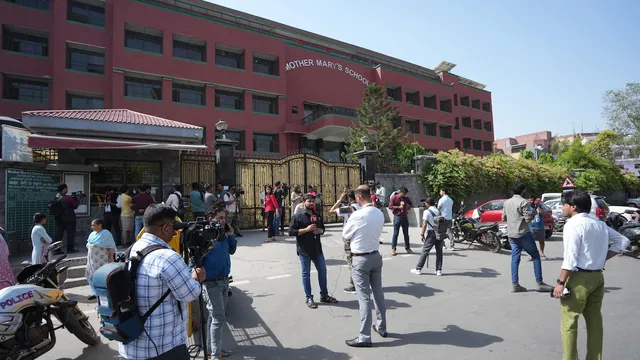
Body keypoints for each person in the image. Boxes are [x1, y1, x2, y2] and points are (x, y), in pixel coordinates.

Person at [120, 204, 205, 360]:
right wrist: (196, 277)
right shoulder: (168, 257)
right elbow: (190, 293)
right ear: (166, 228)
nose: (175, 232)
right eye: (174, 228)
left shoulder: (133, 249)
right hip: (163, 348)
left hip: (132, 345)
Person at [552, 190, 629, 360]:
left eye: (564, 204)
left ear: (573, 207)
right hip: (597, 277)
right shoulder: (599, 224)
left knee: (569, 323)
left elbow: (570, 259)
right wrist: (601, 259)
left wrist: (560, 282)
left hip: (578, 278)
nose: (562, 207)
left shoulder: (572, 225)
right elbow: (622, 241)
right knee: (595, 322)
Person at [343, 185, 387, 347]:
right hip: (376, 255)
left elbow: (346, 234)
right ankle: (382, 327)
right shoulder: (379, 212)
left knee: (364, 298)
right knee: (378, 293)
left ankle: (364, 336)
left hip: (360, 259)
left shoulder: (358, 215)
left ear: (359, 197)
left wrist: (353, 219)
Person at [502, 183, 554, 293]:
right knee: (535, 255)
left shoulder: (507, 203)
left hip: (512, 234)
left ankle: (515, 284)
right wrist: (534, 213)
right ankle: (539, 283)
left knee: (515, 259)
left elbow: (503, 218)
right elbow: (528, 220)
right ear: (523, 191)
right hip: (523, 233)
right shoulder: (524, 202)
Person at [289, 194, 338, 309]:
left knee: (322, 271)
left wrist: (320, 231)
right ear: (303, 202)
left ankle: (324, 295)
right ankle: (309, 297)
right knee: (306, 274)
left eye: (313, 201)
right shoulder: (297, 216)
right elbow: (291, 232)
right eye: (309, 201)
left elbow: (323, 229)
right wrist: (306, 230)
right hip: (304, 250)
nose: (311, 203)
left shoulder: (317, 216)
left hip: (317, 249)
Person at [202, 208, 237, 360]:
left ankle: (212, 348)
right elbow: (196, 259)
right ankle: (215, 355)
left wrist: (231, 236)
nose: (223, 221)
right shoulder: (205, 236)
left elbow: (232, 250)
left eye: (224, 218)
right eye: (219, 218)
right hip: (211, 282)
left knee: (214, 316)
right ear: (211, 219)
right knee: (218, 317)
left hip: (224, 280)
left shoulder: (223, 235)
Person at [330, 190, 361, 294]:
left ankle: (354, 285)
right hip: (360, 235)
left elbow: (332, 210)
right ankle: (361, 282)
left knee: (351, 261)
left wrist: (340, 199)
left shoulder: (348, 208)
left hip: (349, 236)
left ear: (349, 198)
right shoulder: (363, 207)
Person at [411, 197, 444, 276]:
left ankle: (418, 268)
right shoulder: (438, 211)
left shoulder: (427, 211)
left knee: (425, 251)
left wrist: (422, 234)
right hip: (439, 232)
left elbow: (424, 224)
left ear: (427, 203)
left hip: (431, 233)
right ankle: (438, 270)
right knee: (439, 252)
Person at [85, 219, 117, 300]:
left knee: (101, 276)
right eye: (91, 225)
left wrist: (111, 256)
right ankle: (95, 293)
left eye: (93, 225)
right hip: (91, 260)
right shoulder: (92, 234)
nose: (91, 227)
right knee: (90, 275)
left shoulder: (106, 234)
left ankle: (104, 293)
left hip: (101, 260)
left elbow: (111, 246)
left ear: (100, 225)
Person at [52, 183, 79, 253]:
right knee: (70, 234)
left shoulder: (56, 197)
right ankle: (70, 249)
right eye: (66, 188)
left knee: (58, 235)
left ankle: (56, 250)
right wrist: (77, 199)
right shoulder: (68, 198)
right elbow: (75, 206)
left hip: (59, 219)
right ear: (64, 189)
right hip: (69, 219)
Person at [389, 187, 413, 256]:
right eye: (404, 193)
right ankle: (393, 248)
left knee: (406, 233)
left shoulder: (406, 198)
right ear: (400, 192)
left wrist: (408, 208)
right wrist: (398, 207)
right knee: (395, 233)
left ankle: (407, 248)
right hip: (397, 216)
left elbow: (411, 204)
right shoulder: (394, 198)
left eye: (406, 194)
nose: (405, 195)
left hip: (404, 216)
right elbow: (390, 206)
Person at [528, 194, 547, 260]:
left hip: (540, 227)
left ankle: (542, 253)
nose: (531, 201)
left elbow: (545, 213)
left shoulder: (540, 205)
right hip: (531, 227)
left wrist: (538, 206)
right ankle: (532, 254)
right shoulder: (528, 206)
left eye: (532, 199)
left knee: (541, 241)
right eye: (530, 199)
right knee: (531, 242)